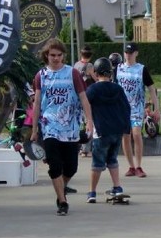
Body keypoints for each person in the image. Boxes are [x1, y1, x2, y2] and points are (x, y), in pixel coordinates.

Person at [30, 38, 95, 215]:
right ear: (46, 55)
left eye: (59, 55)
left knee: (71, 167)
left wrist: (89, 122)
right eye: (52, 55)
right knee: (55, 165)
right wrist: (35, 129)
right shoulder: (41, 76)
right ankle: (62, 201)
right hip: (49, 125)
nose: (56, 58)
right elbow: (36, 104)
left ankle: (61, 188)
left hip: (70, 127)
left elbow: (84, 98)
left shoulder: (72, 73)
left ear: (63, 56)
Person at [84, 57, 131, 203]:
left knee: (97, 163)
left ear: (96, 73)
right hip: (117, 131)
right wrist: (126, 128)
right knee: (112, 159)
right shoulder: (118, 88)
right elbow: (126, 108)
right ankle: (117, 187)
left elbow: (84, 105)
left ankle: (92, 192)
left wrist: (88, 122)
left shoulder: (92, 90)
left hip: (101, 130)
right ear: (111, 73)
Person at [116, 43, 160, 178]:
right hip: (122, 107)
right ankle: (131, 166)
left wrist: (156, 108)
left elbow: (151, 88)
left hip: (136, 107)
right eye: (126, 53)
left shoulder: (141, 69)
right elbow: (113, 86)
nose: (128, 55)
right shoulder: (118, 68)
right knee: (126, 135)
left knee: (136, 134)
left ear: (136, 53)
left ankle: (139, 165)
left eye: (131, 53)